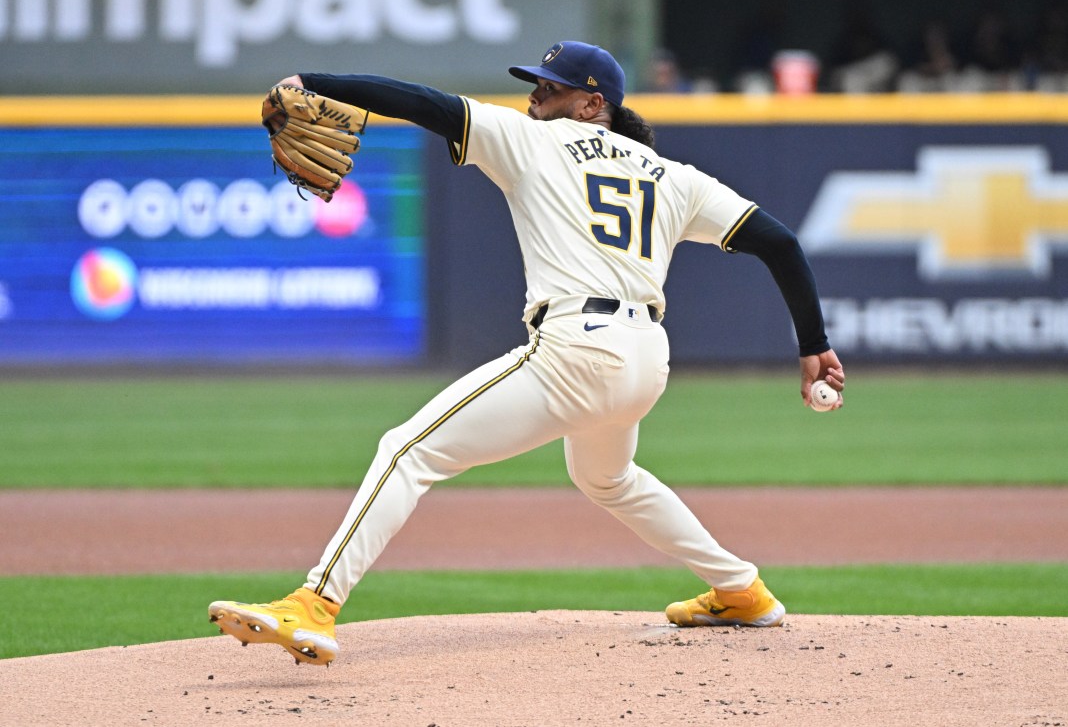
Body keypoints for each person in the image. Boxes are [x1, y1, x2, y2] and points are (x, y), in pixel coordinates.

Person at [209, 40, 845, 666]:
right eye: (535, 84)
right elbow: (781, 243)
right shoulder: (673, 176)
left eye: (551, 87)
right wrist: (813, 344)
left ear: (593, 104)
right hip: (647, 358)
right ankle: (741, 591)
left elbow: (420, 103)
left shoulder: (529, 138)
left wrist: (311, 81)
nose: (534, 95)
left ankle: (314, 604)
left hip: (576, 351)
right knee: (606, 476)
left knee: (407, 450)